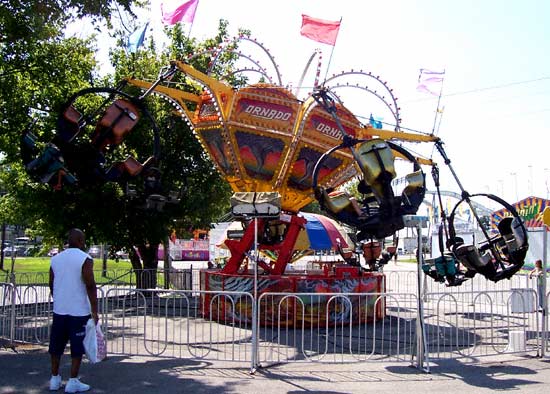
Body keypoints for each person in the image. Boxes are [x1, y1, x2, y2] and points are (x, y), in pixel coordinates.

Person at [48, 228, 98, 392]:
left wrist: (59, 299)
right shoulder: (85, 259)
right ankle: (73, 381)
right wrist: (95, 311)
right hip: (78, 311)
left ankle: (54, 379)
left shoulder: (56, 259)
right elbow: (90, 285)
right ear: (78, 241)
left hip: (59, 310)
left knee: (56, 346)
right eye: (82, 240)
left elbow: (51, 283)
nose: (84, 243)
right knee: (77, 348)